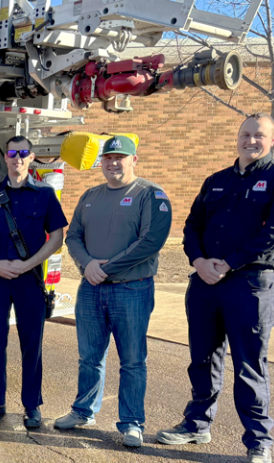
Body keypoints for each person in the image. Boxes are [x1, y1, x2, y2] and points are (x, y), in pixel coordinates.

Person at [156, 113, 274, 463]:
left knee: (249, 365)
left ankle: (259, 443)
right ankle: (196, 425)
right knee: (203, 359)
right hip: (205, 283)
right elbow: (192, 225)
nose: (250, 141)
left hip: (249, 285)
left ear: (272, 140)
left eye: (258, 136)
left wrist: (229, 264)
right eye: (245, 134)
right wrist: (198, 260)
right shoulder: (216, 181)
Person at [55, 136, 172, 447]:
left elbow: (151, 242)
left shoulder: (150, 195)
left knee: (133, 360)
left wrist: (106, 268)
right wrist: (88, 265)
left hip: (131, 290)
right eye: (108, 158)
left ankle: (132, 422)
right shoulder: (91, 196)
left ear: (134, 159)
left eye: (120, 157)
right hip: (91, 289)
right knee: (89, 357)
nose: (113, 163)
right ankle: (83, 411)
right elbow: (73, 237)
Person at [0, 136, 67, 429]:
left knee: (31, 345)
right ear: (6, 158)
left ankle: (32, 406)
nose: (18, 158)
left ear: (31, 157)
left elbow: (58, 238)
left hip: (30, 279)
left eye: (23, 153)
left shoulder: (45, 195)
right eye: (12, 153)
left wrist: (28, 264)